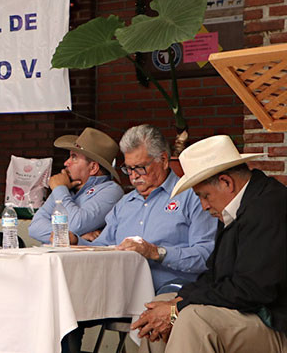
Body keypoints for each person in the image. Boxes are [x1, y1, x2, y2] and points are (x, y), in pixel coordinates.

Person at [134, 135, 287, 353]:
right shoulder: (236, 206)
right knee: (161, 304)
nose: (204, 206)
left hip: (276, 324)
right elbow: (216, 274)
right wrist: (178, 301)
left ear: (226, 182)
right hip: (251, 311)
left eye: (204, 196)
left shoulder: (269, 207)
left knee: (192, 320)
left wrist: (179, 308)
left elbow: (253, 290)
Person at [74, 124, 216, 293]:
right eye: (128, 169)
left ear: (163, 160)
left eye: (140, 167)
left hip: (172, 294)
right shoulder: (125, 204)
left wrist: (157, 253)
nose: (133, 176)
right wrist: (76, 242)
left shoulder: (192, 197)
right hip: (122, 294)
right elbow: (103, 248)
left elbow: (206, 256)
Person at [29, 127, 124, 243]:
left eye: (74, 157)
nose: (66, 163)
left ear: (93, 167)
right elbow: (34, 228)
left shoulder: (111, 191)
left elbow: (76, 224)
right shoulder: (66, 186)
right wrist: (72, 237)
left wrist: (59, 188)